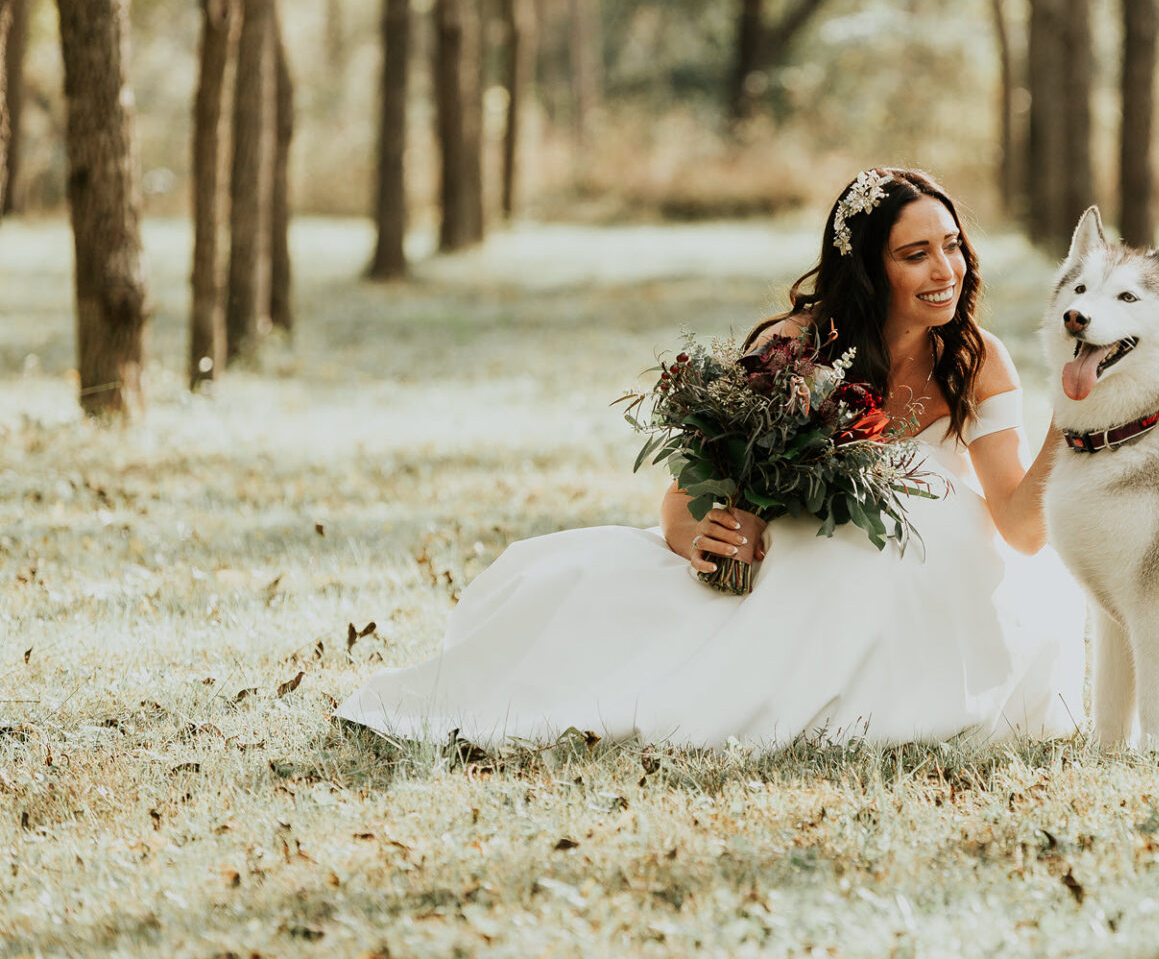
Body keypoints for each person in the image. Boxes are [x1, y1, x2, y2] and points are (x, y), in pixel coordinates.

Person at [335, 167, 1086, 751]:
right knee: (593, 606)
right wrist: (702, 533)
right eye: (915, 254)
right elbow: (685, 494)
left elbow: (1021, 528)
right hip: (797, 557)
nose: (944, 269)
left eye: (952, 245)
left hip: (931, 575)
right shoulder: (795, 349)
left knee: (915, 544)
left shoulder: (976, 360)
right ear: (867, 266)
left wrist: (1069, 417)